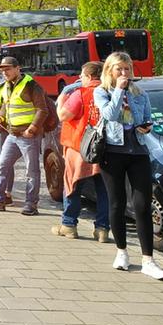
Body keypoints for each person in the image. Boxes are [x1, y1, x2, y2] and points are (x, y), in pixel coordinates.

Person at [93, 52, 163, 280]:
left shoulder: (140, 92)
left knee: (142, 204)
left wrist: (147, 126)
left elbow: (146, 118)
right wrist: (119, 91)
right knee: (117, 203)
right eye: (119, 69)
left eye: (127, 69)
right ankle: (122, 251)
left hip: (138, 151)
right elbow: (110, 114)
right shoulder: (101, 91)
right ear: (110, 71)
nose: (125, 73)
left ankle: (148, 260)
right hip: (112, 153)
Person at [0, 56, 49, 215]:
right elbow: (6, 104)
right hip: (12, 135)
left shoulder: (31, 85)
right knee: (1, 167)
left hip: (28, 135)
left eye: (8, 69)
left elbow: (42, 110)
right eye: (3, 70)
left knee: (31, 171)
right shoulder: (6, 86)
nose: (5, 73)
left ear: (18, 69)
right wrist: (1, 118)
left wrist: (32, 129)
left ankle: (31, 204)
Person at [54, 61, 111, 241]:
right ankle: (102, 229)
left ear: (88, 76)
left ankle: (69, 224)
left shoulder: (80, 93)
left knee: (73, 186)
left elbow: (64, 115)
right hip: (105, 148)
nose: (80, 79)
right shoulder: (111, 94)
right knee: (104, 190)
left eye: (82, 76)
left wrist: (61, 101)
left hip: (79, 147)